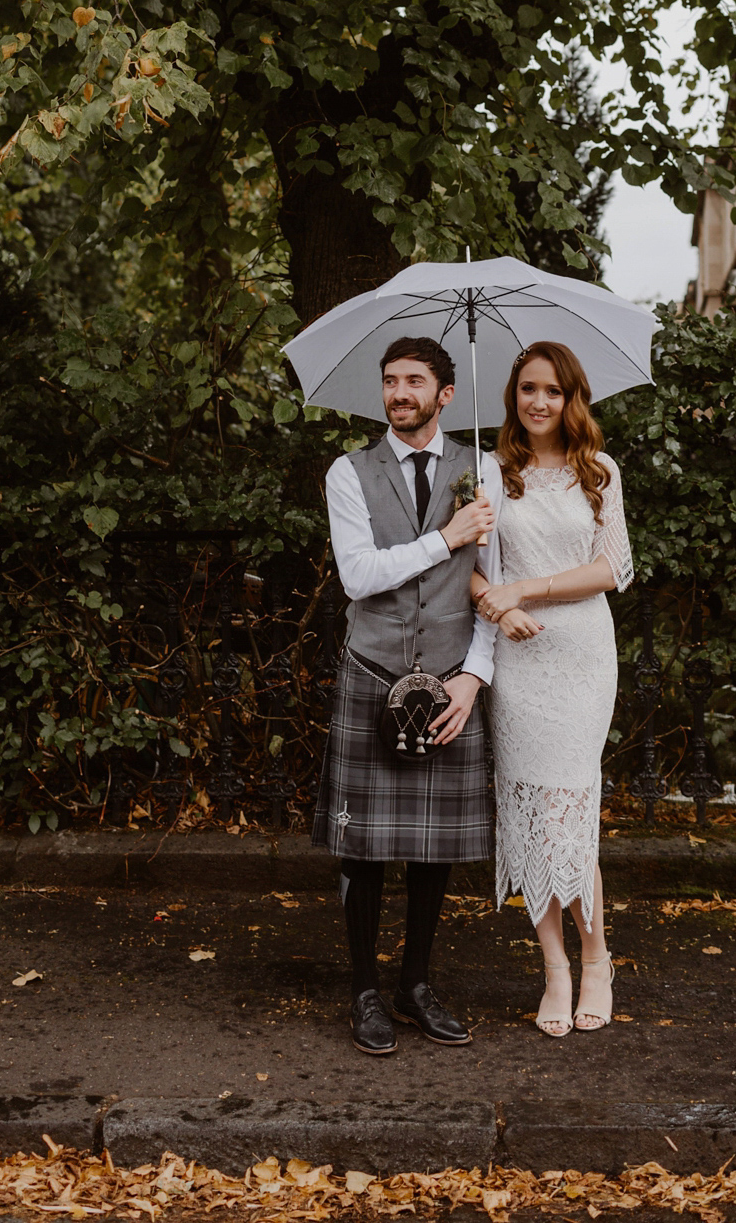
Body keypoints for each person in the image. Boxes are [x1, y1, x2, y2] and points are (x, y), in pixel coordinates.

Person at [313, 334, 504, 1056]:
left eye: (414, 380)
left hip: (449, 679)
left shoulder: (481, 468)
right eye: (391, 380)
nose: (399, 393)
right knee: (362, 847)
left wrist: (475, 677)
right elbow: (358, 576)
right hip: (372, 671)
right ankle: (365, 989)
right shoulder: (348, 472)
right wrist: (447, 537)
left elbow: (494, 582)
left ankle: (415, 984)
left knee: (435, 851)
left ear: (445, 394)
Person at [473, 341, 632, 1037]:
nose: (538, 401)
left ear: (573, 399)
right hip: (518, 666)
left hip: (582, 657)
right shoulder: (487, 475)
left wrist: (528, 590)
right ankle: (555, 971)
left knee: (569, 809)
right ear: (513, 394)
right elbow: (468, 571)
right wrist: (500, 607)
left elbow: (612, 569)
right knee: (528, 813)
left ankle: (596, 958)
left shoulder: (598, 471)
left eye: (553, 391)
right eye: (528, 388)